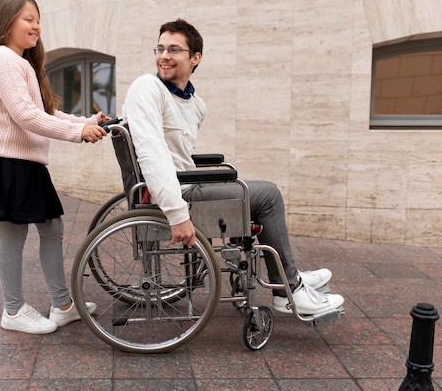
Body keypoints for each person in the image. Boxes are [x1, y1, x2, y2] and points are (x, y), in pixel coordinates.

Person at [121, 19, 344, 315]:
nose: (163, 56)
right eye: (160, 48)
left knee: (249, 190)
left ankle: (288, 275)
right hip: (173, 194)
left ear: (195, 58)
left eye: (174, 49)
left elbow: (179, 154)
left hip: (183, 184)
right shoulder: (147, 88)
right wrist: (177, 213)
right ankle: (287, 288)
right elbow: (152, 153)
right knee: (268, 195)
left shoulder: (196, 104)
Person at [0, 0, 108, 334]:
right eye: (28, 18)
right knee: (14, 236)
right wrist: (77, 133)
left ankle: (62, 304)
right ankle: (13, 311)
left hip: (22, 162)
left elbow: (45, 113)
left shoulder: (19, 62)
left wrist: (86, 121)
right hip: (7, 161)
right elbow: (26, 116)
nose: (36, 25)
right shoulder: (3, 59)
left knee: (50, 229)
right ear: (6, 21)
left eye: (38, 19)